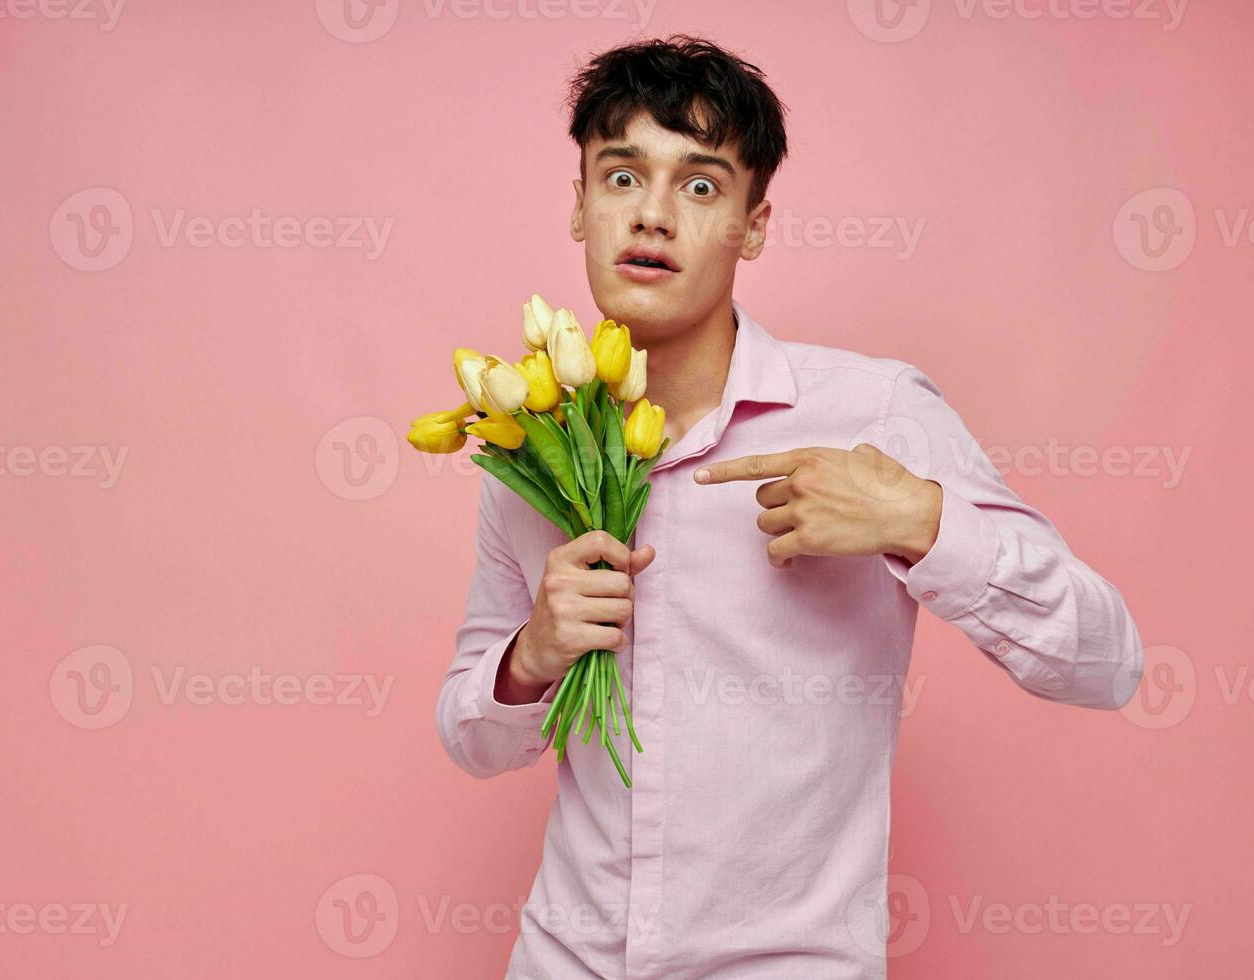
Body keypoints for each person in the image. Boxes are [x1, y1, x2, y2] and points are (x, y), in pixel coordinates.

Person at [436, 34, 1143, 980]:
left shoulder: (875, 413)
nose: (651, 215)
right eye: (620, 177)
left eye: (699, 186)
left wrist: (924, 525)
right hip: (567, 961)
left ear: (753, 224)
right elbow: (472, 741)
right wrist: (530, 656)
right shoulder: (529, 447)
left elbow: (1107, 664)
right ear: (579, 206)